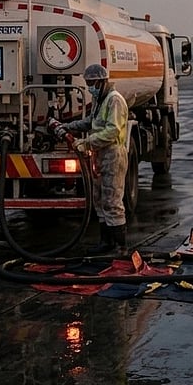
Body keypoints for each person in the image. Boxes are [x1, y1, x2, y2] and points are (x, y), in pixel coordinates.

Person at [62, 64, 129, 255]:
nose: (90, 87)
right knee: (99, 199)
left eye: (92, 83)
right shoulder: (100, 99)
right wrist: (69, 126)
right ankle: (106, 242)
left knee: (112, 200)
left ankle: (121, 246)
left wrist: (86, 143)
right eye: (88, 83)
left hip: (113, 154)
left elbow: (112, 131)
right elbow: (91, 122)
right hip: (100, 154)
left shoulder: (114, 100)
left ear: (101, 81)